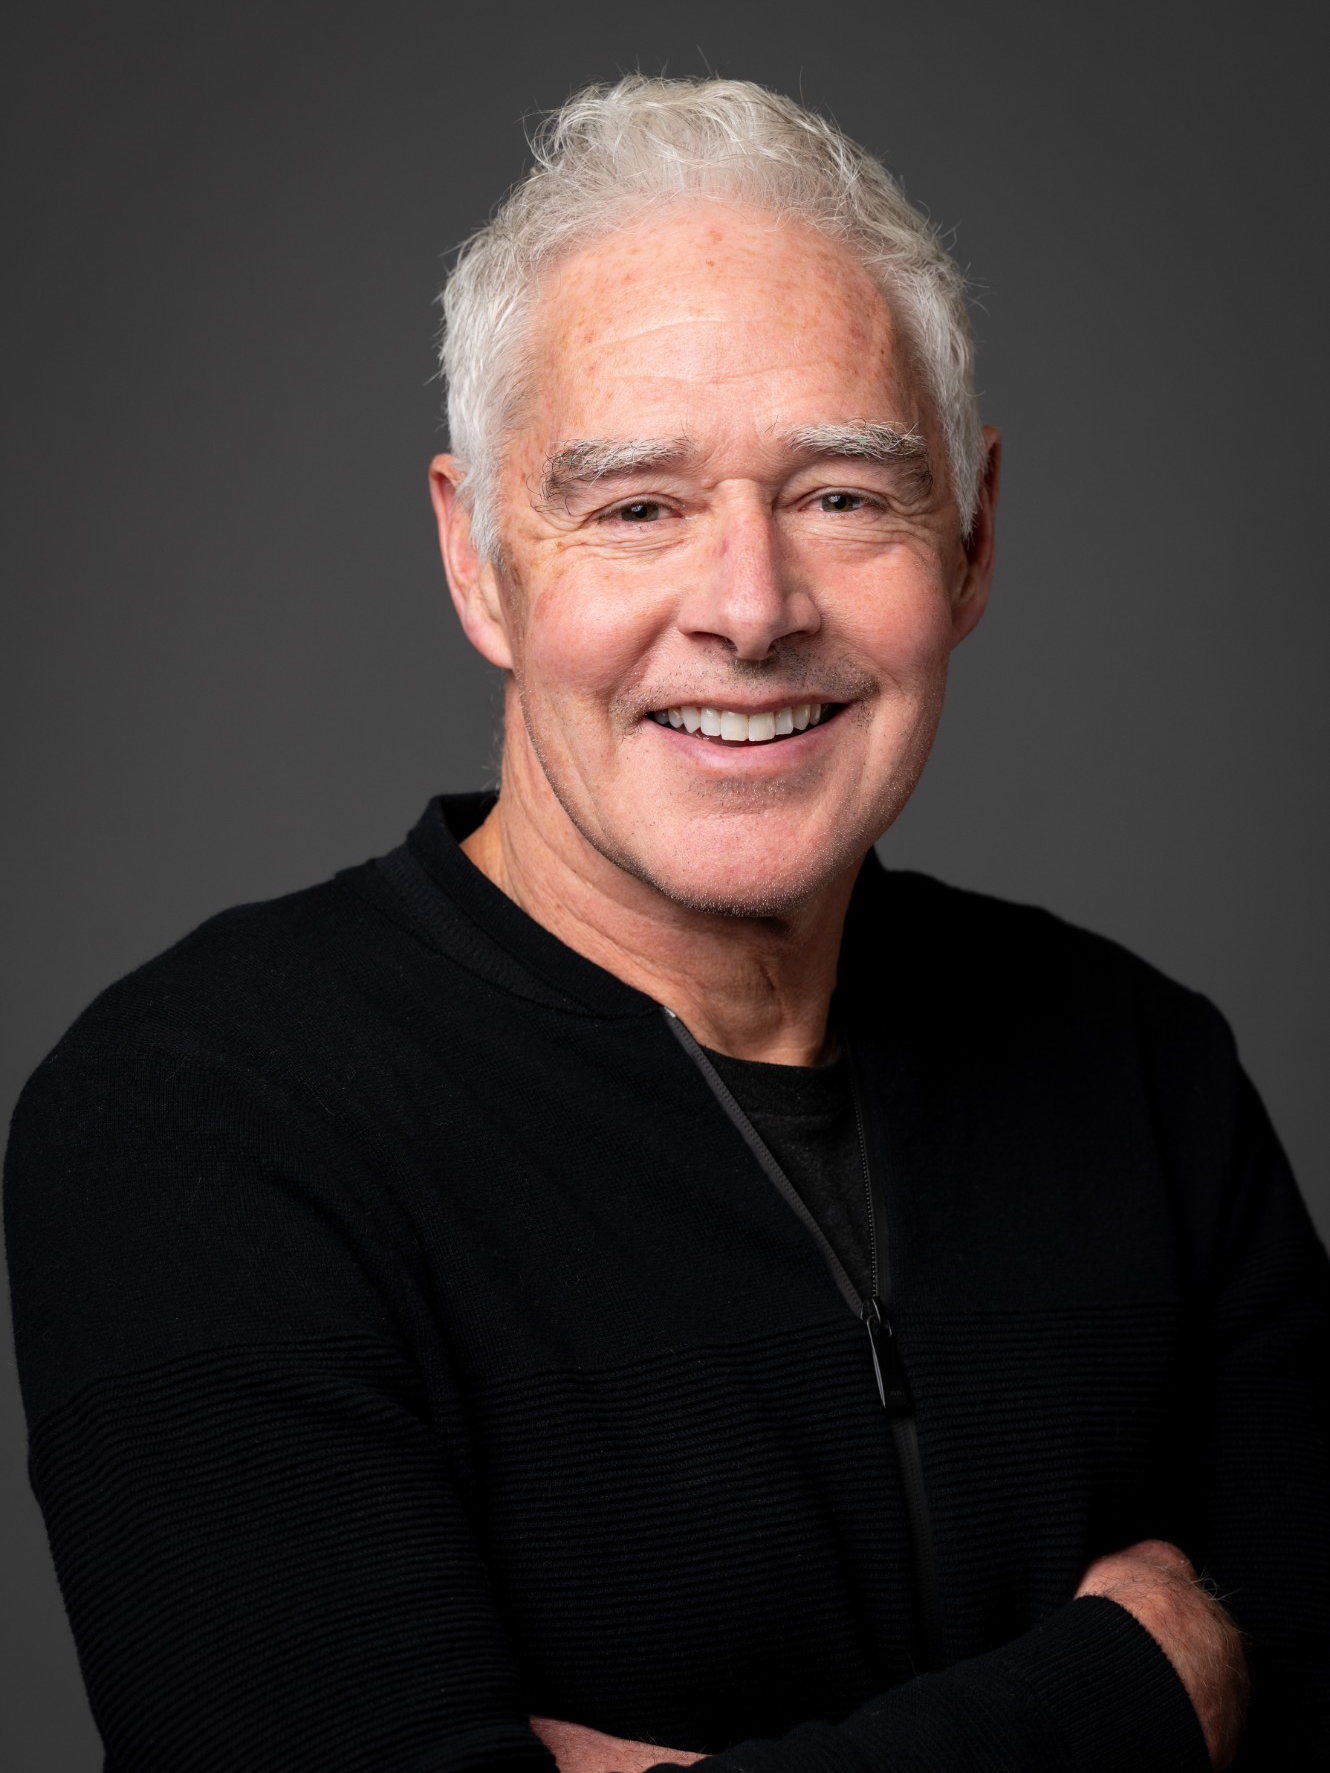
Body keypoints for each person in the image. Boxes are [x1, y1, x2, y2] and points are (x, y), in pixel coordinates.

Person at [5, 76, 1327, 1773]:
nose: (750, 609)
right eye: (636, 506)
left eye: (843, 496)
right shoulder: (197, 1119)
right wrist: (1132, 1697)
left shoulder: (1143, 1074)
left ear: (972, 535)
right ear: (478, 558)